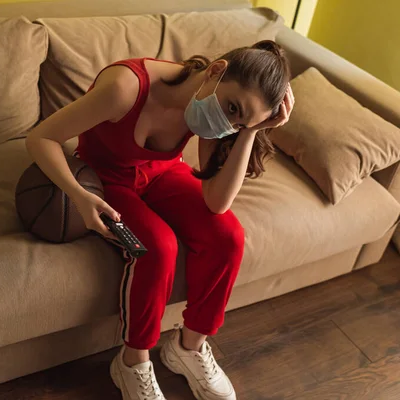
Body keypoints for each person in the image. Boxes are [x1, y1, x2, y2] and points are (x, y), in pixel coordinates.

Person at [26, 40, 294, 400]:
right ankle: (132, 362)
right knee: (158, 248)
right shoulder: (125, 88)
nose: (227, 122)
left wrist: (250, 130)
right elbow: (41, 137)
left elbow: (216, 203)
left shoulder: (215, 113)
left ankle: (188, 347)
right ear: (215, 71)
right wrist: (79, 195)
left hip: (163, 174)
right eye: (233, 108)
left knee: (228, 235)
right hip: (108, 179)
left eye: (238, 120)